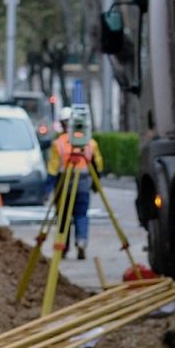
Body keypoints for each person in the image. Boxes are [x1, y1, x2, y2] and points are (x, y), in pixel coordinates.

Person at [46, 108, 104, 260]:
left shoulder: (58, 143)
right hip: (84, 183)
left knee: (63, 217)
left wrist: (48, 188)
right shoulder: (90, 143)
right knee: (81, 214)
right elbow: (98, 164)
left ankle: (62, 247)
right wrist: (96, 185)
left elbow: (53, 168)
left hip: (64, 184)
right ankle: (81, 241)